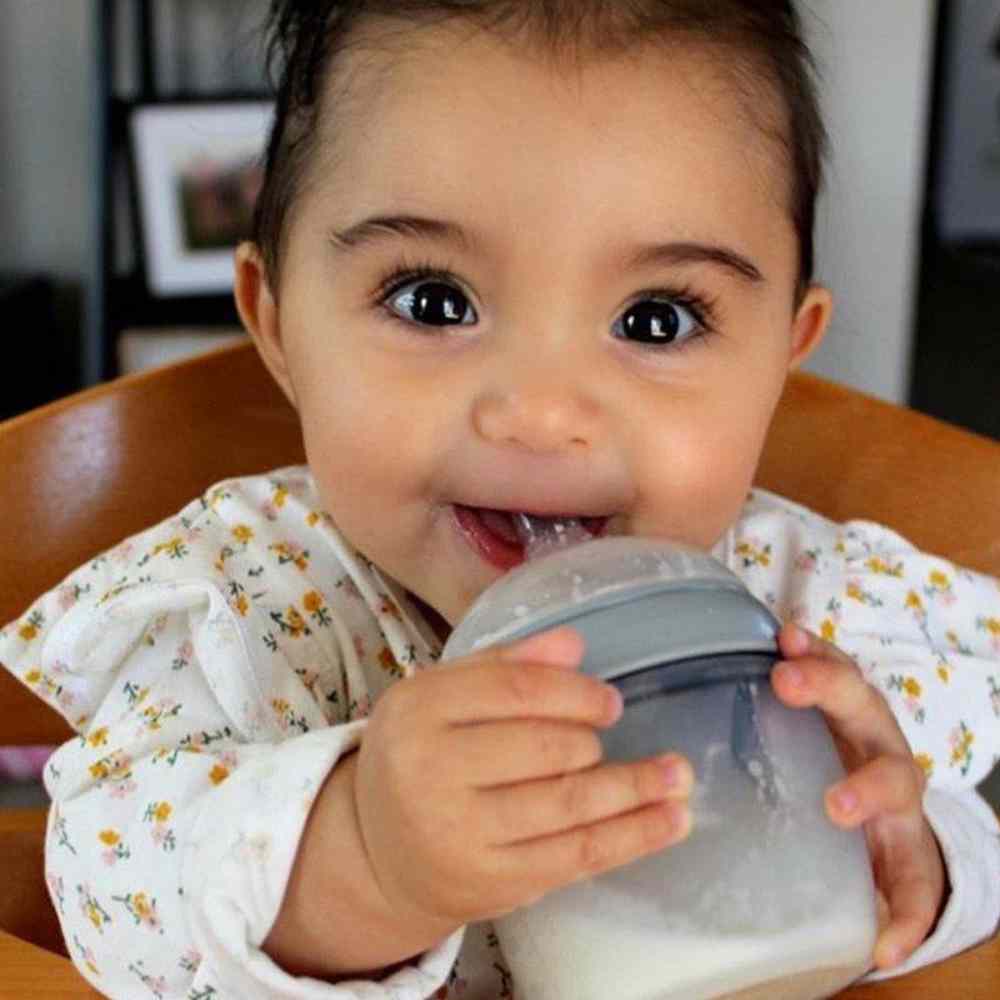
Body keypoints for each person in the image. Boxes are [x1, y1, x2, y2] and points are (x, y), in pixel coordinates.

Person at [2, 2, 998, 997]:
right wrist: (363, 859)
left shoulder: (805, 615)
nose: (541, 413)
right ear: (277, 322)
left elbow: (969, 831)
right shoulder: (244, 605)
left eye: (655, 320)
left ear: (783, 350)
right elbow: (111, 893)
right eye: (433, 300)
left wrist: (913, 855)